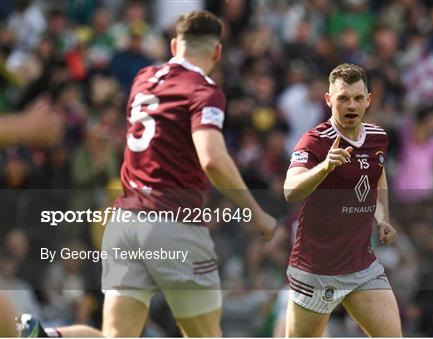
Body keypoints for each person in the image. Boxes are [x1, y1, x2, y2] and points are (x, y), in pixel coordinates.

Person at [18, 10, 276, 338]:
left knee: (116, 335)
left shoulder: (143, 79)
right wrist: (256, 212)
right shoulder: (204, 90)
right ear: (217, 52)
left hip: (125, 223)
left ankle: (50, 336)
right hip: (174, 224)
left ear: (172, 46)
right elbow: (212, 159)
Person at [283, 63, 401, 337]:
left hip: (361, 265)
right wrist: (324, 168)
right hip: (316, 269)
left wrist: (382, 219)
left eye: (358, 98)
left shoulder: (377, 137)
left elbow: (377, 176)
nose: (351, 105)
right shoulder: (314, 141)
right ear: (328, 100)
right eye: (343, 98)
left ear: (368, 100)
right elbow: (290, 190)